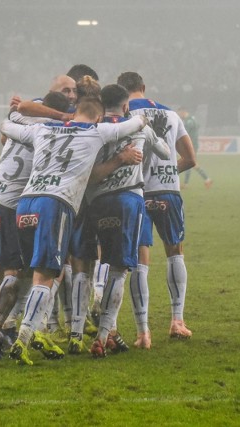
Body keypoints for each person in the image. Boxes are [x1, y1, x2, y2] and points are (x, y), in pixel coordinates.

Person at [0, 97, 148, 365]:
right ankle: (23, 339)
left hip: (25, 203)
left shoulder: (43, 129)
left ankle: (26, 329)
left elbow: (8, 125)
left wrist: (23, 111)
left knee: (34, 273)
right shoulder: (97, 131)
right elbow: (136, 123)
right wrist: (141, 120)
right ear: (98, 116)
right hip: (55, 203)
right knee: (46, 275)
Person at [0, 91, 70, 360]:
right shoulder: (57, 131)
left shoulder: (22, 123)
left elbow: (13, 117)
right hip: (10, 205)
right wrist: (65, 116)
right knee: (16, 271)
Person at [85, 84, 170, 357]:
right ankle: (101, 336)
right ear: (126, 107)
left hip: (96, 202)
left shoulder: (94, 131)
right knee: (119, 269)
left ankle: (85, 321)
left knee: (96, 259)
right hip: (127, 201)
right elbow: (166, 153)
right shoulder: (139, 128)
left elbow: (89, 173)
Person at [116, 71, 196, 349]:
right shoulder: (171, 114)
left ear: (120, 90)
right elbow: (191, 158)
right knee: (175, 252)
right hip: (168, 192)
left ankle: (143, 332)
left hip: (135, 192)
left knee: (140, 261)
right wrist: (168, 173)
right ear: (144, 87)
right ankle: (177, 321)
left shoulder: (122, 114)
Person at [177, 109, 212, 190]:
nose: (180, 116)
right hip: (193, 144)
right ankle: (206, 179)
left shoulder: (188, 121)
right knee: (191, 163)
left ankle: (187, 183)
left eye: (180, 113)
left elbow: (185, 133)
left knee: (189, 162)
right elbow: (197, 126)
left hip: (191, 145)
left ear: (183, 112)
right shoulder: (193, 119)